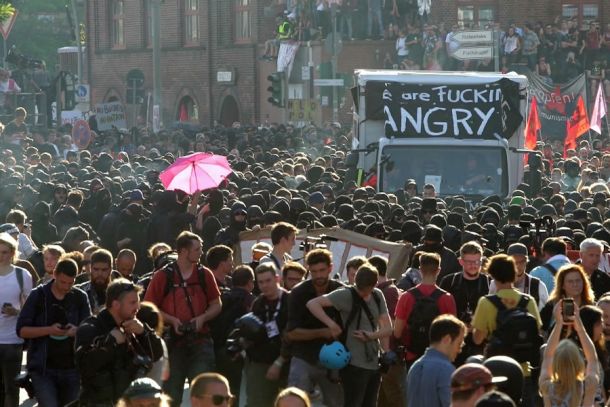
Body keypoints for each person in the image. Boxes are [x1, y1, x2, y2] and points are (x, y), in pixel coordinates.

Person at [144, 231, 222, 406]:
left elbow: (217, 304)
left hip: (201, 341)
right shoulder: (163, 276)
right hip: (173, 343)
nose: (201, 252)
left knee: (205, 394)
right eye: (197, 249)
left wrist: (203, 318)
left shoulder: (205, 274)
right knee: (171, 394)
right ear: (184, 251)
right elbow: (149, 308)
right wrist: (172, 320)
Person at [307, 263, 393, 406]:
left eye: (365, 290)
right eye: (359, 288)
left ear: (375, 285)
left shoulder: (377, 296)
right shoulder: (346, 294)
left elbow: (388, 329)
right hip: (353, 363)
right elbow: (312, 304)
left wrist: (372, 337)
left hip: (373, 363)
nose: (362, 292)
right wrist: (332, 325)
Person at [75, 278, 164, 406]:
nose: (137, 307)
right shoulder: (91, 327)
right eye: (132, 303)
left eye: (138, 302)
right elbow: (84, 366)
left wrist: (144, 332)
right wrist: (110, 343)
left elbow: (156, 354)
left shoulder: (133, 326)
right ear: (116, 304)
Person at [17, 258, 91, 407]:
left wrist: (76, 331)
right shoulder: (38, 295)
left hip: (72, 368)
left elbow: (89, 330)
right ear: (55, 275)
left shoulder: (80, 297)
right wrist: (49, 330)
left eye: (71, 283)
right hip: (43, 369)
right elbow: (22, 330)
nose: (66, 287)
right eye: (63, 282)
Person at [471, 254, 542, 407]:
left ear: (492, 275)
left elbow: (477, 339)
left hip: (495, 370)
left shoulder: (486, 302)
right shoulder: (527, 301)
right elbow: (537, 332)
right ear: (514, 273)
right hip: (524, 370)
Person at [285, 248, 344, 407]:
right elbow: (292, 333)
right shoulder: (298, 293)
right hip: (304, 356)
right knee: (295, 401)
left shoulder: (340, 291)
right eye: (314, 271)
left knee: (335, 403)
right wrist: (323, 332)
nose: (318, 275)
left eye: (322, 270)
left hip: (334, 359)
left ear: (330, 268)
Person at [394, 252, 457, 370]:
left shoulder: (406, 296)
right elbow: (453, 333)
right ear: (438, 270)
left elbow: (397, 332)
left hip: (411, 355)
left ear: (420, 269)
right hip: (438, 357)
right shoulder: (447, 298)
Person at [539, 299, 599, 407]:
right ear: (579, 363)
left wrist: (558, 324)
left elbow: (547, 356)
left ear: (555, 364)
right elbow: (592, 358)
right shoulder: (587, 386)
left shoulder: (547, 387)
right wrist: (580, 327)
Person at [245, 263, 290, 407]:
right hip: (261, 362)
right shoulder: (258, 303)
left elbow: (294, 336)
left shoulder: (290, 301)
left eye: (268, 280)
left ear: (277, 278)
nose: (264, 285)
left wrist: (279, 362)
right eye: (261, 282)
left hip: (286, 362)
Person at [440, 242, 491, 363]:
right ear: (461, 261)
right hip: (453, 343)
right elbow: (440, 313)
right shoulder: (449, 281)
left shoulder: (489, 283)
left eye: (477, 262)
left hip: (482, 343)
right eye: (469, 262)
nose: (473, 265)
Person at [0, 233, 33, 407]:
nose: (1, 256)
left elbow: (30, 309)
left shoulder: (22, 275)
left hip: (13, 339)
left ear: (13, 252)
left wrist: (16, 311)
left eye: (4, 252)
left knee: (12, 388)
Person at [406, 314, 467, 407]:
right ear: (447, 339)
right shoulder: (446, 369)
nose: (460, 350)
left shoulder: (415, 367)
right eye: (459, 344)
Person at [539, 264, 596, 335]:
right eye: (570, 281)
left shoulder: (591, 306)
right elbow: (541, 330)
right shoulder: (553, 305)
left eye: (578, 281)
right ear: (562, 285)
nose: (575, 284)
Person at [489, 243, 548, 309]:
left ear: (527, 261)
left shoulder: (537, 285)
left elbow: (544, 314)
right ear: (508, 263)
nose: (518, 266)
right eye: (515, 262)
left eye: (522, 261)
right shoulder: (495, 284)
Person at [77, 248, 113, 315]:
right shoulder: (79, 292)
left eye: (104, 270)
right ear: (90, 268)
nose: (100, 274)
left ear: (110, 270)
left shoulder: (119, 293)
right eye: (96, 269)